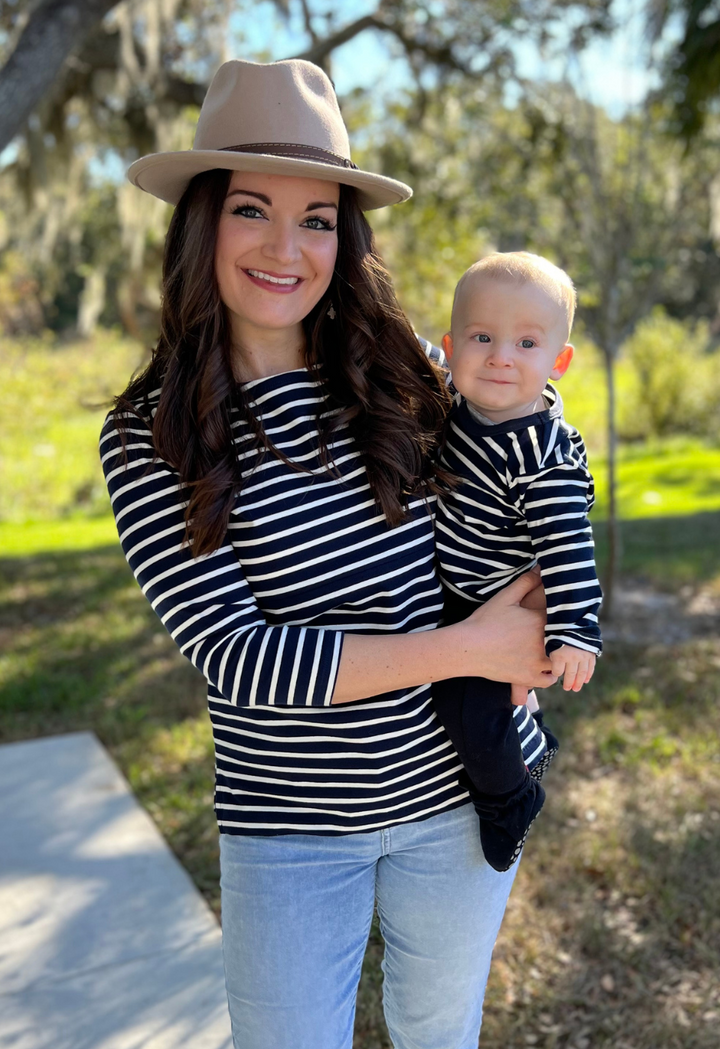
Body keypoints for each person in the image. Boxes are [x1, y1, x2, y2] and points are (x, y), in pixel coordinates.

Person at [100, 59, 557, 1049]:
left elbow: (528, 435)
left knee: (439, 1031)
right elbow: (240, 654)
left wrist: (538, 587)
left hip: (462, 792)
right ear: (201, 222)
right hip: (291, 828)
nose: (284, 246)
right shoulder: (152, 430)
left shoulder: (404, 372)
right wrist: (474, 646)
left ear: (342, 239)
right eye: (253, 209)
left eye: (316, 219)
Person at [432, 252, 603, 873]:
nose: (501, 355)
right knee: (452, 694)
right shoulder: (455, 403)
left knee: (463, 710)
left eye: (527, 342)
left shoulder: (542, 455)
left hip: (498, 599)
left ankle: (512, 795)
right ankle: (526, 735)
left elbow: (568, 548)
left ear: (558, 361)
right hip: (457, 588)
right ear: (452, 349)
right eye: (483, 337)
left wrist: (575, 631)